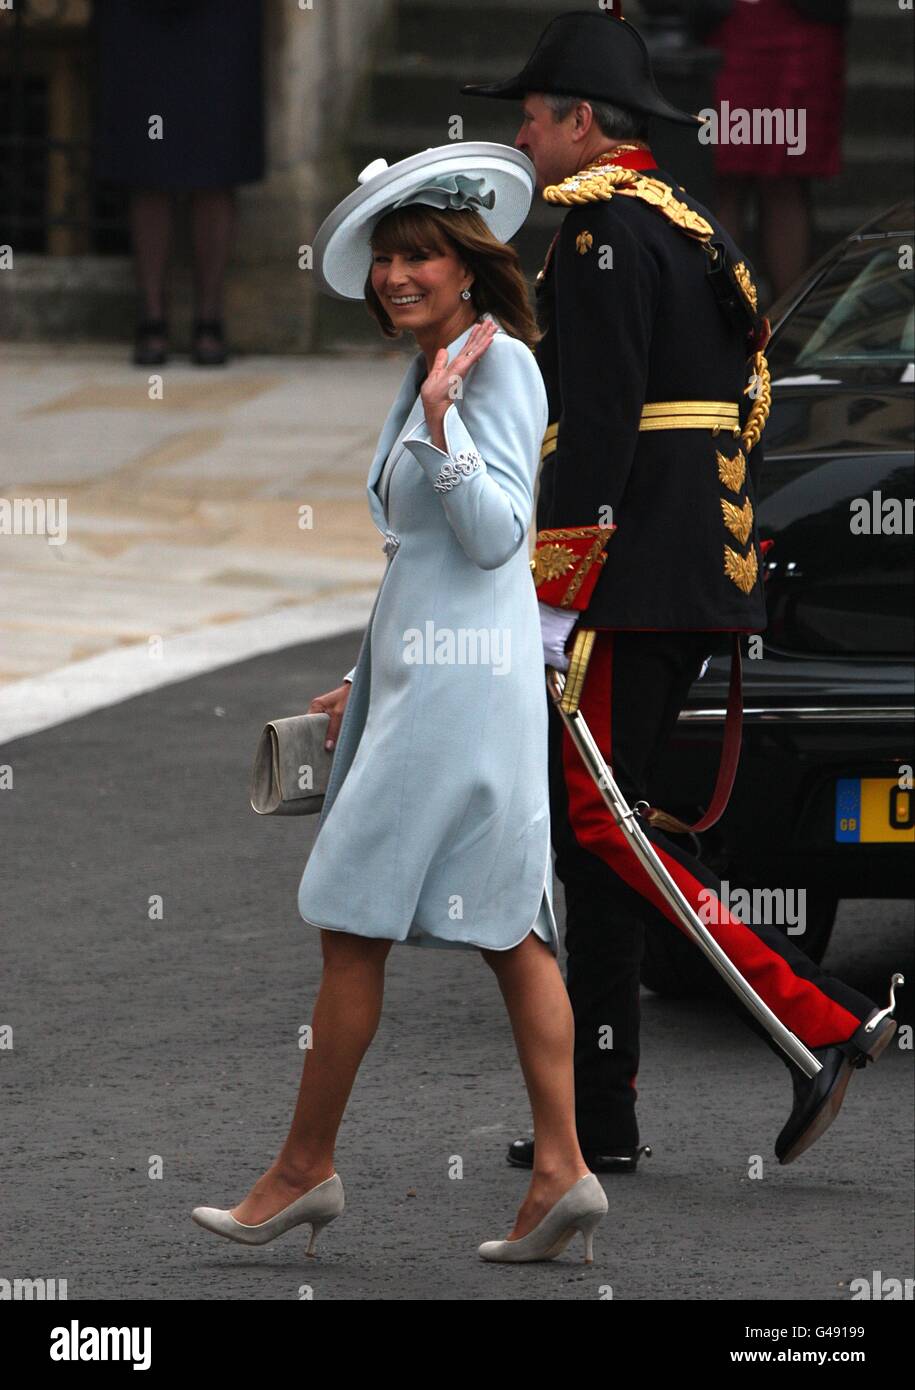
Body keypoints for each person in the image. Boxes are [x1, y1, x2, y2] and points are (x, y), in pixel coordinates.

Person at [459, 10, 901, 1177]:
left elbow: (592, 432)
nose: (523, 132)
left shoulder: (604, 234)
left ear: (584, 125)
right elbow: (751, 388)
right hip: (686, 564)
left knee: (603, 827)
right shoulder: (689, 219)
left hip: (628, 580)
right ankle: (601, 1115)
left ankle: (820, 1020)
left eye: (535, 115)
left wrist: (551, 600)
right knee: (602, 841)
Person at [191, 145, 608, 1264]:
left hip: (461, 693)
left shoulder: (494, 366)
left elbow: (498, 539)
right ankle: (563, 1169)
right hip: (445, 678)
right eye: (386, 258)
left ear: (468, 266)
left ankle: (302, 1168)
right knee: (510, 928)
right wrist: (369, 672)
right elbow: (427, 566)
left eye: (418, 255)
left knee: (352, 917)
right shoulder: (444, 361)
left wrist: (442, 419)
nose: (394, 275)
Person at [91, 0, 266, 365]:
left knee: (217, 157)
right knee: (147, 160)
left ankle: (210, 317)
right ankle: (151, 316)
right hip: (137, 17)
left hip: (222, 16)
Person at [688, 0, 850, 299]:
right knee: (726, 172)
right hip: (731, 27)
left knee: (785, 177)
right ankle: (721, 316)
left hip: (799, 31)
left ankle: (788, 324)